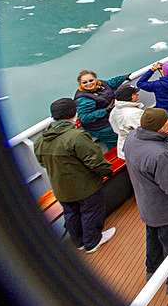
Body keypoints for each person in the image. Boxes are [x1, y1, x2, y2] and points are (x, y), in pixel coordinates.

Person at [123, 107, 168, 296]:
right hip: (165, 208)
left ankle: (152, 270)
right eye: (167, 121)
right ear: (160, 127)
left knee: (153, 237)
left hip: (147, 203)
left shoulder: (132, 139)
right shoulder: (159, 154)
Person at [34, 98, 116, 252]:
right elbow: (95, 161)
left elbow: (42, 162)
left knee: (71, 213)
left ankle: (79, 242)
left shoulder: (40, 140)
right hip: (84, 187)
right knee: (91, 211)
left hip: (60, 188)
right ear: (73, 114)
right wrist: (107, 171)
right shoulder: (76, 136)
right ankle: (93, 242)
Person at [74, 69, 130, 151]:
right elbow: (85, 117)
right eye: (84, 82)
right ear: (80, 84)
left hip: (110, 119)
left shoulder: (101, 84)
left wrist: (124, 78)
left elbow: (111, 83)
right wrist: (105, 110)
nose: (89, 84)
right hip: (100, 127)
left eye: (91, 80)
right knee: (115, 142)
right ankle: (119, 158)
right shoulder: (84, 99)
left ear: (95, 79)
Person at [109, 81, 144, 159]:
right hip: (137, 147)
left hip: (123, 145)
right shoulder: (133, 114)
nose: (137, 94)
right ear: (128, 97)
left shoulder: (115, 110)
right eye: (134, 94)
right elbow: (144, 131)